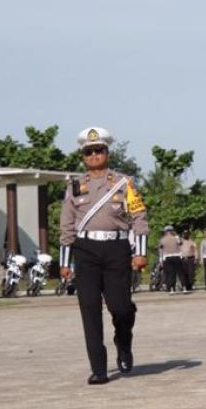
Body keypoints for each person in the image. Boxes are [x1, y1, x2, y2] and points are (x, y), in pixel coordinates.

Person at [58, 126, 149, 384]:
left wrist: (139, 253)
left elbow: (139, 217)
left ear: (107, 152)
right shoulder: (74, 185)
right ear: (83, 156)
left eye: (99, 150)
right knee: (89, 309)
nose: (95, 155)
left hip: (116, 250)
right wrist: (65, 263)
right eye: (89, 151)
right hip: (85, 251)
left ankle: (123, 341)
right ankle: (98, 368)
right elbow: (67, 225)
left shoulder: (123, 183)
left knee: (121, 308)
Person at [159, 226, 183, 294]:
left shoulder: (164, 239)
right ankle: (169, 287)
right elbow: (161, 250)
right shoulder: (174, 238)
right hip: (169, 257)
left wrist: (160, 259)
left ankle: (171, 288)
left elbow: (180, 244)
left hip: (167, 258)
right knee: (170, 273)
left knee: (170, 273)